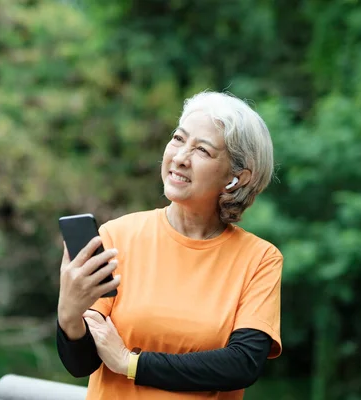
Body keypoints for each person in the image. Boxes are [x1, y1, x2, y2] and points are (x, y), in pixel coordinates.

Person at [56, 91, 283, 400]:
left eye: (202, 150)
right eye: (178, 139)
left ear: (236, 178)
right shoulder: (116, 237)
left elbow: (240, 364)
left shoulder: (259, 260)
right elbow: (82, 362)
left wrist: (130, 363)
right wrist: (69, 314)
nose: (179, 157)